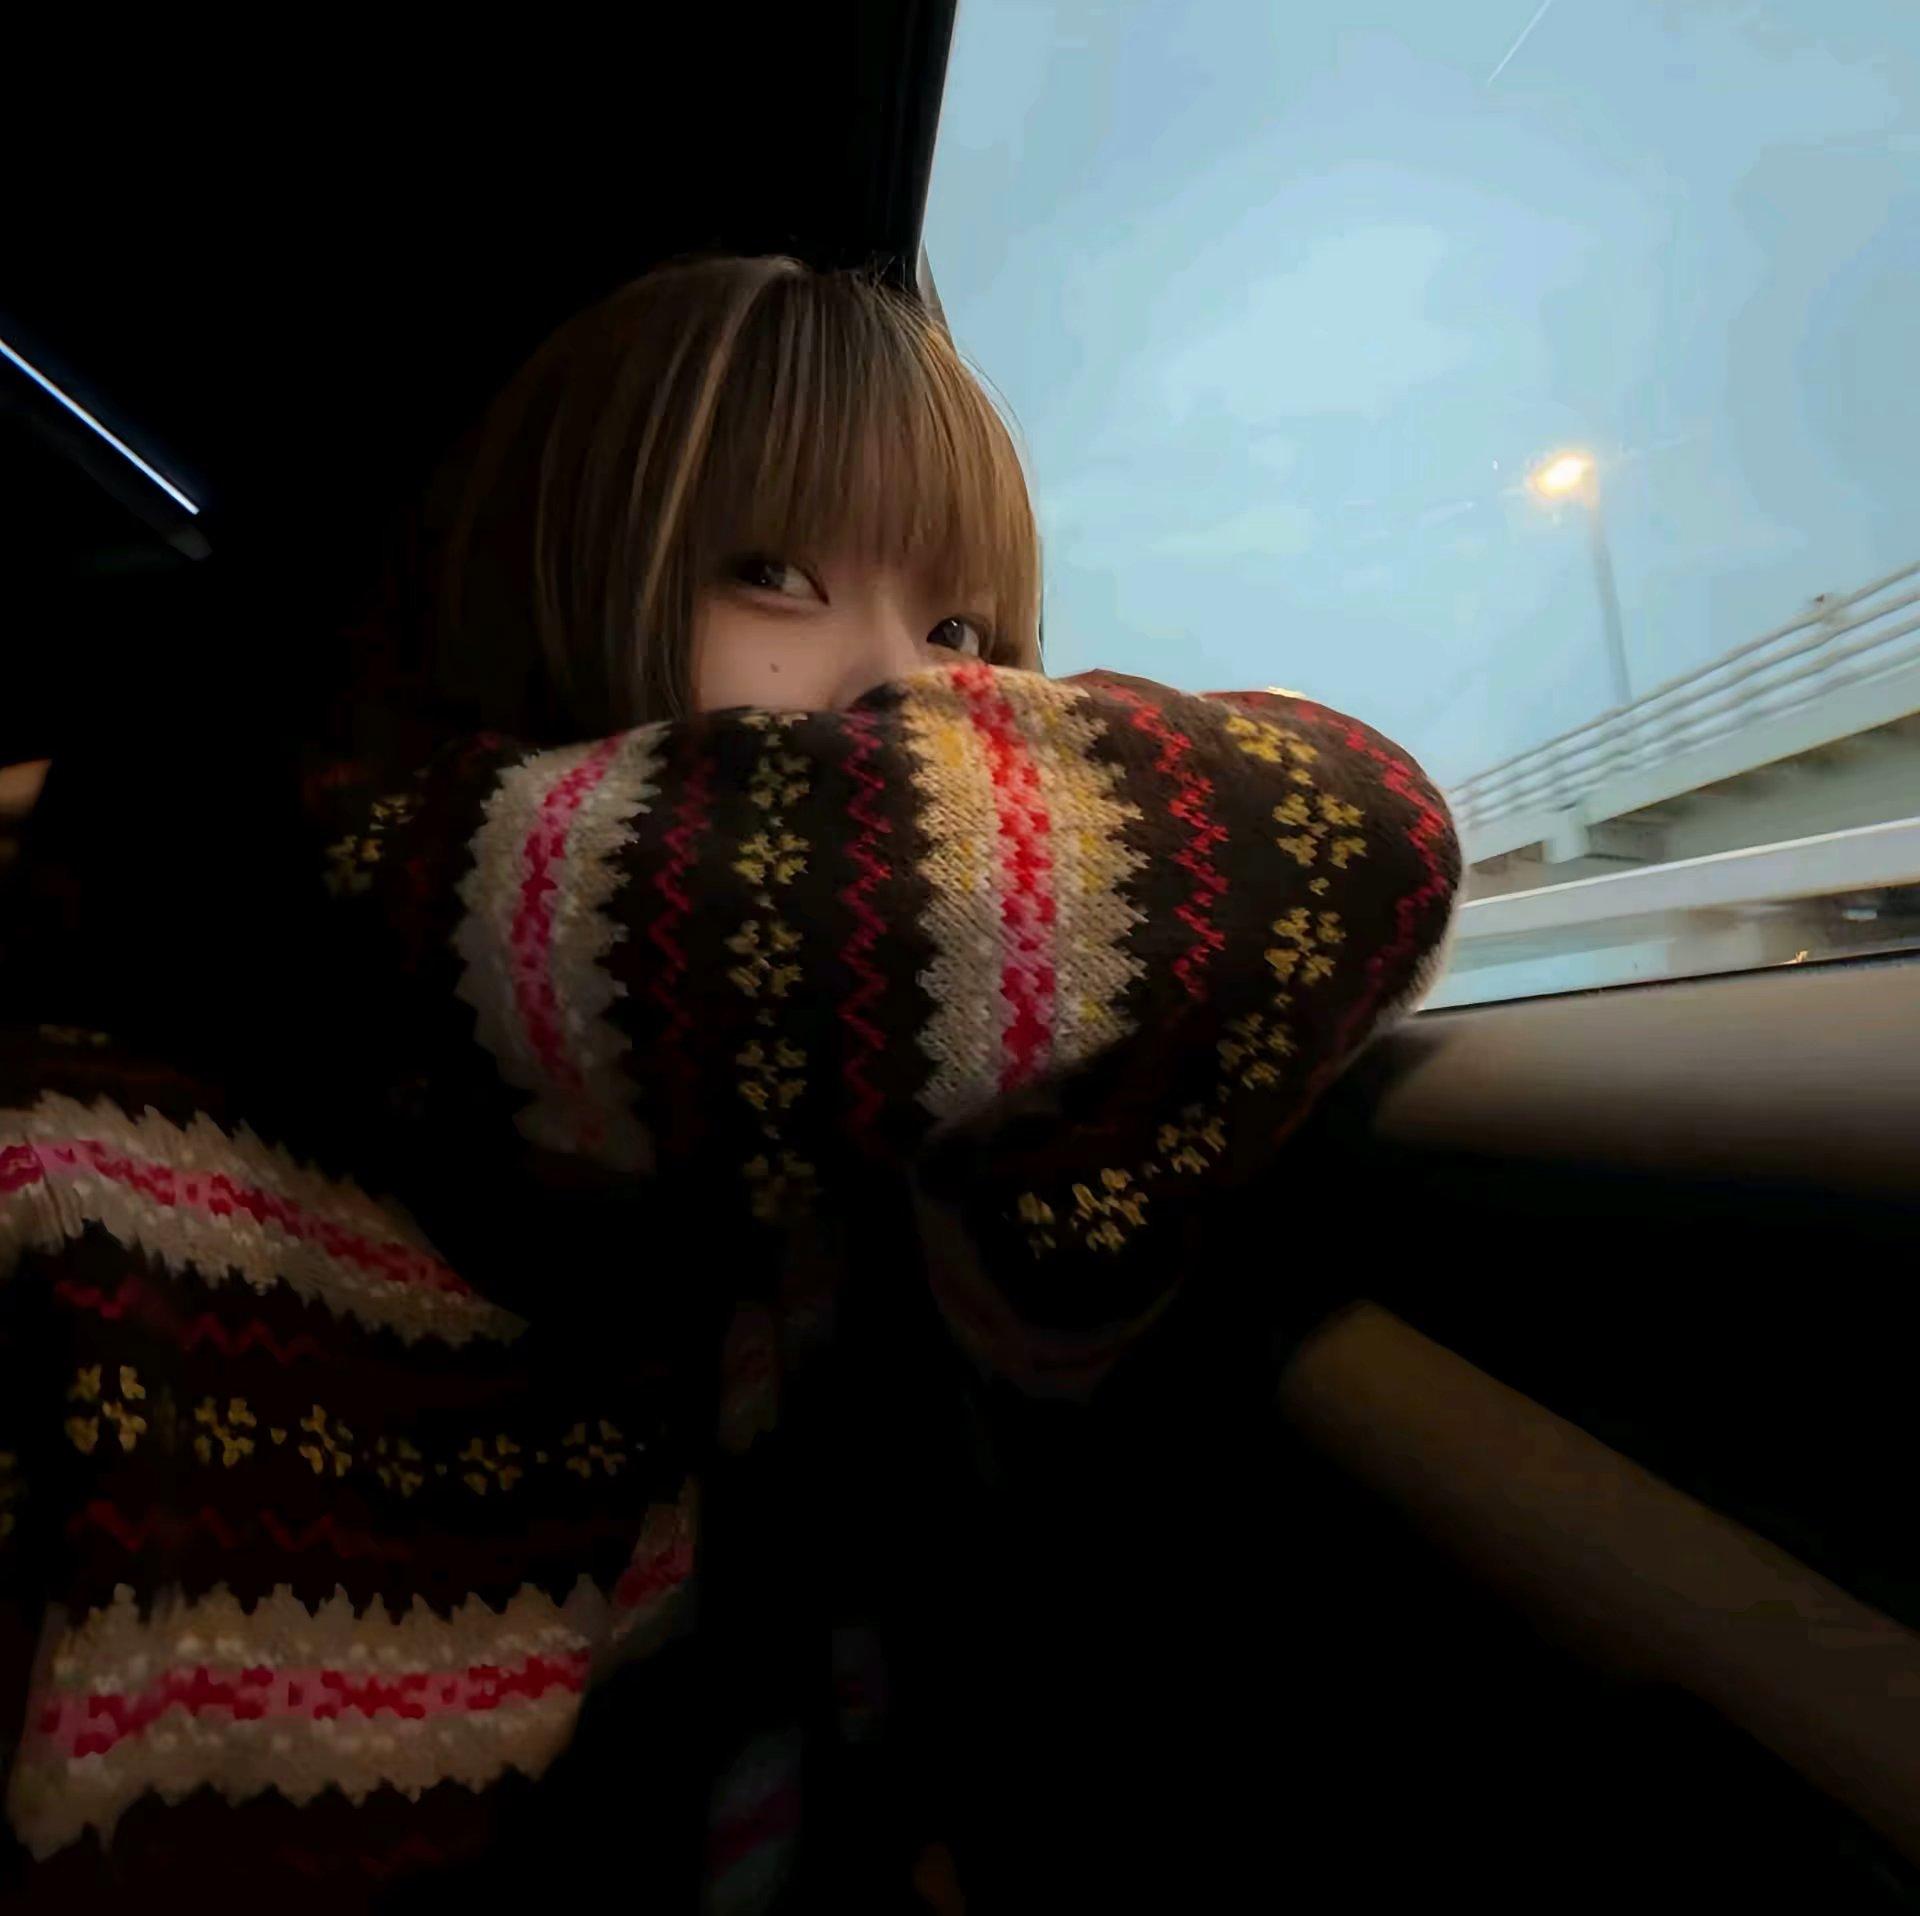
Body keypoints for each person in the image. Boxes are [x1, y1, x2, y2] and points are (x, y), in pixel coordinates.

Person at [0, 256, 1915, 1913]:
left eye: (966, 629)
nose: (905, 691)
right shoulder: (99, 1174)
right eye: (770, 571)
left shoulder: (819, 1175)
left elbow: (1354, 836)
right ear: (549, 581)